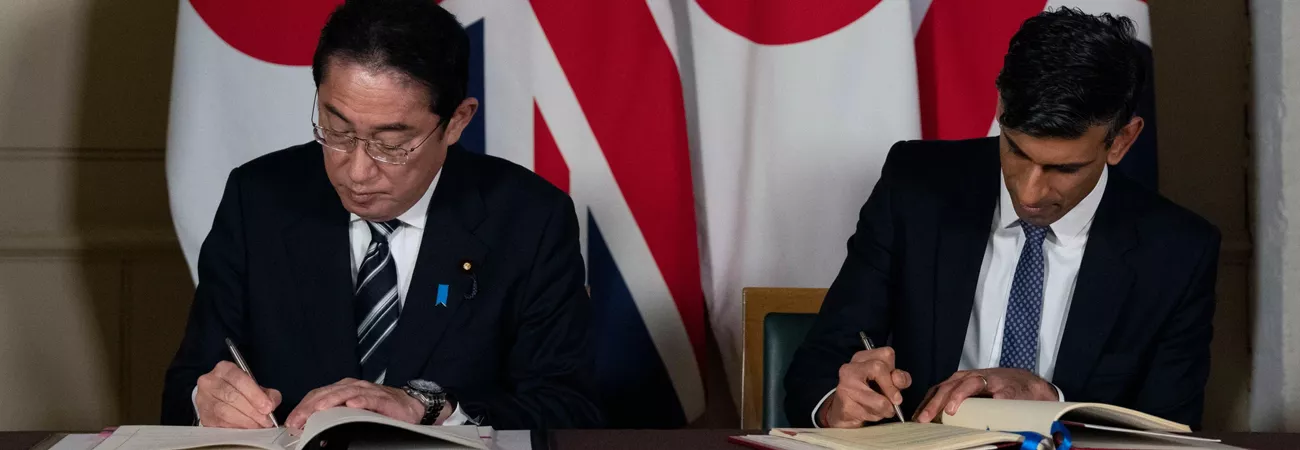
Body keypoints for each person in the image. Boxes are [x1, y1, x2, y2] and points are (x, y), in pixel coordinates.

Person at [161, 0, 601, 430]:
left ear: (456, 122)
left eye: (391, 144)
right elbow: (188, 384)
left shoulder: (530, 220)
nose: (357, 171)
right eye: (337, 130)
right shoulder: (259, 199)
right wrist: (206, 402)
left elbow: (568, 409)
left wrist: (433, 409)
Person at [785, 8, 1219, 430]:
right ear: (999, 105)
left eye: (1064, 169)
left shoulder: (1179, 252)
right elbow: (818, 366)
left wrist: (1052, 401)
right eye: (1016, 150)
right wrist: (838, 405)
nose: (1029, 193)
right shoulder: (915, 186)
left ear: (1122, 140)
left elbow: (1170, 430)